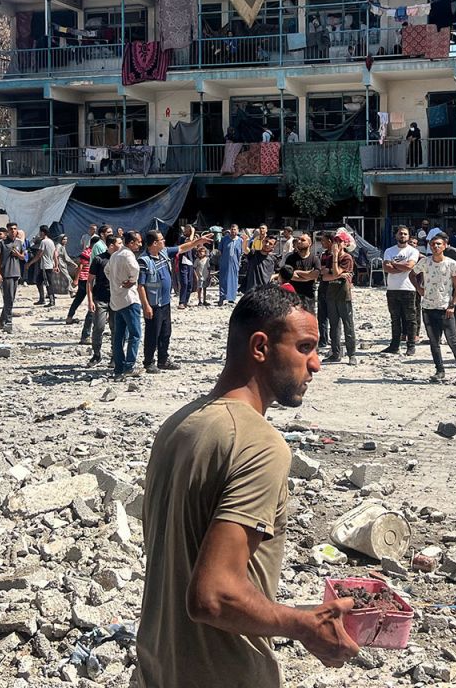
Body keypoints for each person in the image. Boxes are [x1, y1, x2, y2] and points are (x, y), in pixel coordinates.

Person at [135, 287, 357, 686]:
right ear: (260, 347)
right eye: (304, 347)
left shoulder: (179, 424)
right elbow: (213, 596)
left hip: (159, 667)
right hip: (222, 673)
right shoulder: (259, 444)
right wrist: (304, 626)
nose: (317, 364)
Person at [140, 228, 212, 373]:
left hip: (165, 302)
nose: (164, 242)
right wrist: (146, 305)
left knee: (166, 332)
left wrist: (198, 241)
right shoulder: (144, 261)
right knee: (152, 334)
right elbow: (140, 286)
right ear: (154, 243)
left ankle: (163, 360)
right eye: (161, 240)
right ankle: (149, 362)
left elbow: (181, 248)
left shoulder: (163, 253)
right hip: (154, 304)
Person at [413, 234, 456, 385]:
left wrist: (452, 305)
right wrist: (419, 288)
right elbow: (412, 274)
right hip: (428, 307)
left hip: (445, 308)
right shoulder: (425, 262)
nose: (435, 247)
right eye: (433, 244)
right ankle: (439, 370)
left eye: (438, 244)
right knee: (434, 341)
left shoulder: (451, 264)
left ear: (445, 246)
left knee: (452, 341)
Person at [109, 230, 144, 377]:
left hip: (116, 300)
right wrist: (131, 281)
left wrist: (116, 283)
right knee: (135, 334)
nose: (140, 244)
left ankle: (119, 367)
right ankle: (129, 366)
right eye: (138, 242)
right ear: (131, 243)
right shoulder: (128, 255)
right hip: (129, 299)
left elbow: (106, 271)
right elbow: (135, 269)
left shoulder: (114, 255)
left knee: (118, 336)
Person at [319, 231, 357, 365]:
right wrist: (338, 275)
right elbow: (324, 276)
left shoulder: (347, 258)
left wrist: (335, 260)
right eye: (336, 241)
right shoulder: (328, 258)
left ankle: (352, 354)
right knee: (334, 326)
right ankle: (335, 353)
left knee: (348, 325)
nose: (337, 244)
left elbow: (334, 272)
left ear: (345, 244)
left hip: (343, 295)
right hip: (331, 294)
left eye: (339, 241)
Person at [381, 226, 419, 356]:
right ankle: (394, 345)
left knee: (410, 319)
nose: (402, 236)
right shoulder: (389, 250)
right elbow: (386, 268)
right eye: (400, 234)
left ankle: (411, 345)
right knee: (395, 319)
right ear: (396, 236)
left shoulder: (413, 251)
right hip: (392, 289)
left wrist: (395, 264)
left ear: (409, 236)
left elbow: (410, 266)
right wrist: (402, 267)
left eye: (405, 234)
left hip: (408, 288)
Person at [86, 234, 116, 369]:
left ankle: (115, 356)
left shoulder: (120, 259)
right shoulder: (99, 260)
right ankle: (96, 354)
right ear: (111, 246)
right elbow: (90, 281)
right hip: (101, 299)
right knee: (98, 327)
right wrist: (90, 300)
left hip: (117, 299)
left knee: (116, 329)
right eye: (119, 243)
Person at [0, 224, 25, 333]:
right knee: (8, 298)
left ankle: (2, 321)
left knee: (11, 298)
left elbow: (23, 257)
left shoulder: (19, 242)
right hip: (6, 273)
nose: (13, 231)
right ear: (7, 231)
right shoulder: (2, 242)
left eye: (15, 229)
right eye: (11, 229)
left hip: (16, 273)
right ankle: (8, 321)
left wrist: (17, 254)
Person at [30, 226, 58, 308]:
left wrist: (30, 263)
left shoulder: (44, 242)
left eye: (40, 232)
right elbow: (55, 254)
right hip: (47, 265)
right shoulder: (51, 242)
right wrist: (56, 265)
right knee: (39, 281)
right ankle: (42, 299)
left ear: (42, 232)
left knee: (48, 283)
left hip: (46, 266)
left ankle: (52, 300)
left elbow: (39, 255)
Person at [218, 224, 243, 305]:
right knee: (223, 279)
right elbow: (220, 251)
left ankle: (231, 298)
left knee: (234, 279)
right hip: (225, 261)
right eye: (232, 229)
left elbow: (242, 252)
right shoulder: (224, 239)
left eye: (235, 229)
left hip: (235, 262)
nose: (233, 231)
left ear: (238, 230)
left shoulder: (240, 241)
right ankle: (222, 297)